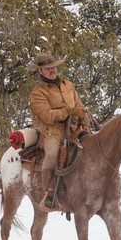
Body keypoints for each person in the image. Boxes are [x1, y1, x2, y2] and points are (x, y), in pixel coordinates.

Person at [29, 52, 89, 211]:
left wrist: (82, 114)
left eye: (53, 67)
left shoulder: (68, 84)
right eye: (48, 68)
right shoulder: (37, 93)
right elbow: (47, 116)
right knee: (52, 152)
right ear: (40, 71)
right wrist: (67, 111)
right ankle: (48, 192)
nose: (52, 70)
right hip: (52, 131)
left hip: (75, 128)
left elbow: (80, 105)